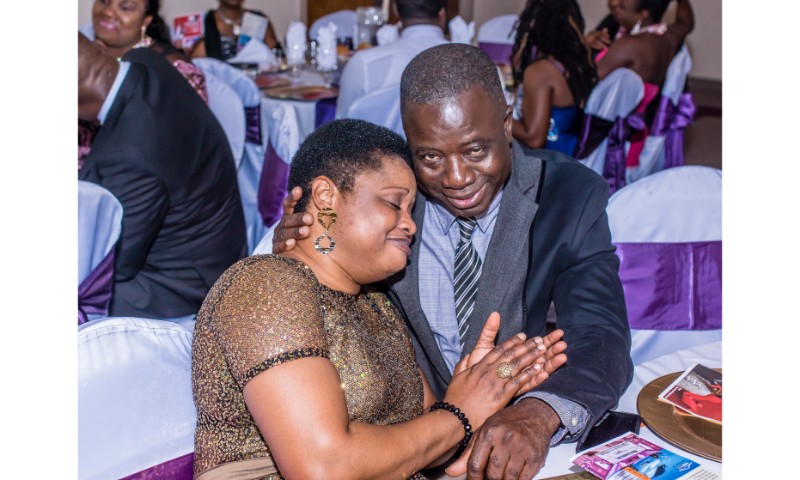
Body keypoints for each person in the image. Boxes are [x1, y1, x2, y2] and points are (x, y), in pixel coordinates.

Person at [272, 43, 633, 479]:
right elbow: (323, 275)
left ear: (507, 123)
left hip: (514, 448)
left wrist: (538, 413)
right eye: (430, 157)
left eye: (476, 151)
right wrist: (301, 251)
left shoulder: (568, 195)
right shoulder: (388, 203)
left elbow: (600, 332)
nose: (457, 178)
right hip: (392, 449)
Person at [191, 118, 569, 479]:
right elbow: (323, 468)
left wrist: (482, 389)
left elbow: (426, 444)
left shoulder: (375, 303)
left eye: (411, 210)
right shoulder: (266, 285)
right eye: (393, 203)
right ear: (325, 197)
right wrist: (459, 413)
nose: (410, 224)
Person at [77, 32, 247, 319]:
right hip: (213, 236)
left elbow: (113, 262)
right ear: (100, 48)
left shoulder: (129, 155)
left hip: (190, 284)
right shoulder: (144, 61)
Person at [80, 0, 209, 170]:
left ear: (146, 20)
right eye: (104, 1)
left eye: (125, 8)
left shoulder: (176, 71)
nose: (108, 12)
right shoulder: (84, 55)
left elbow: (187, 146)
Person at [595, 0, 695, 168]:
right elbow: (686, 23)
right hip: (641, 130)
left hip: (614, 135)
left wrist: (584, 45)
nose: (614, 5)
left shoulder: (630, 45)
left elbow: (589, 83)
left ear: (644, 13)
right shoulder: (667, 37)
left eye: (622, 6)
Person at [509, 0, 597, 155]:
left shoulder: (541, 71)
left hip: (549, 163)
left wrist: (494, 115)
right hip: (571, 157)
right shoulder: (574, 66)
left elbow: (534, 138)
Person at [335, 0, 449, 119]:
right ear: (442, 13)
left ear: (395, 10)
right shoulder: (462, 58)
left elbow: (340, 124)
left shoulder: (364, 64)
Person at [189, 0, 281, 61]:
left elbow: (278, 58)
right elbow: (195, 64)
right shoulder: (203, 22)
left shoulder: (258, 19)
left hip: (257, 83)